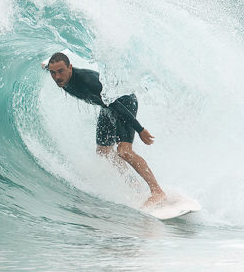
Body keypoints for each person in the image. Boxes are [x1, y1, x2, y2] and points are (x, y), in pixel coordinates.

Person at [43, 52, 166, 206]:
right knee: (103, 152)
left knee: (124, 151)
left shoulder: (87, 81)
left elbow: (116, 104)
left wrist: (140, 129)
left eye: (61, 71)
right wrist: (45, 65)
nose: (57, 77)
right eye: (53, 73)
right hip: (107, 108)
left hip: (124, 103)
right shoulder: (58, 75)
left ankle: (157, 191)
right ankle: (135, 185)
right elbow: (48, 67)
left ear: (70, 68)